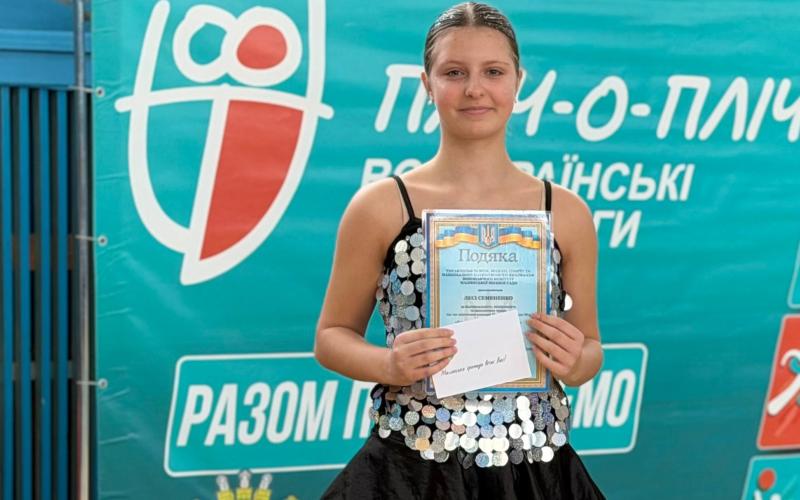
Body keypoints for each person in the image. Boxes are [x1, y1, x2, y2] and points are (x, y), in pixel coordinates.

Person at [315, 2, 605, 498]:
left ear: (518, 82)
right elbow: (330, 337)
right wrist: (388, 366)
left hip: (535, 472)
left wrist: (575, 361)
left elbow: (591, 347)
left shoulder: (565, 211)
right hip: (412, 471)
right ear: (427, 84)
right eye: (454, 72)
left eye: (493, 71)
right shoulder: (382, 206)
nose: (474, 88)